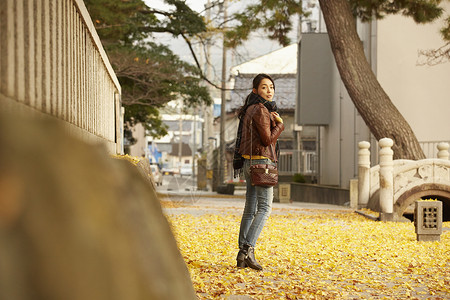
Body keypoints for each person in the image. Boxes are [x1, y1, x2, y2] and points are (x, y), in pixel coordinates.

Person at [234, 73, 284, 270]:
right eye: (264, 87)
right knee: (264, 208)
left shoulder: (250, 109)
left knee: (250, 209)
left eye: (271, 87)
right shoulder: (261, 110)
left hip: (249, 163)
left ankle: (241, 253)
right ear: (255, 90)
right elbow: (266, 140)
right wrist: (280, 125)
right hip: (262, 164)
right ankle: (248, 249)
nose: (269, 90)